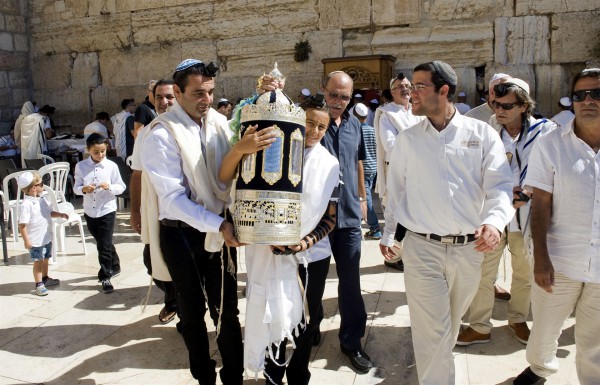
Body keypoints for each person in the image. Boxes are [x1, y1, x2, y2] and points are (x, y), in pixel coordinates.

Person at [379, 61, 514, 385]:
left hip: (470, 252)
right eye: (410, 87)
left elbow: (500, 187)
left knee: (446, 330)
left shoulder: (481, 135)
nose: (411, 93)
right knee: (434, 333)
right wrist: (388, 234)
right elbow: (396, 192)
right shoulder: (409, 140)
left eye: (420, 86)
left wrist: (494, 223)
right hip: (421, 249)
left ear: (443, 91)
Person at [219, 93, 339, 385]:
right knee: (273, 314)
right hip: (268, 250)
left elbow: (331, 217)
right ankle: (273, 374)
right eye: (309, 123)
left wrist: (303, 243)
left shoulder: (328, 163)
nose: (314, 132)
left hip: (310, 258)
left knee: (303, 321)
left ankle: (299, 377)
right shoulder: (273, 153)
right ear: (297, 122)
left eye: (322, 127)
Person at [141, 58, 243, 385]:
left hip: (219, 229)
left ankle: (233, 377)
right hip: (181, 236)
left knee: (227, 312)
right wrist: (217, 224)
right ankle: (204, 379)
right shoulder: (161, 133)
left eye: (210, 92)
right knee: (193, 313)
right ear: (178, 92)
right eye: (198, 93)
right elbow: (172, 199)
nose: (207, 100)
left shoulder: (217, 123)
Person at [513, 68, 600, 385]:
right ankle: (539, 370)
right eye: (580, 95)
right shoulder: (551, 144)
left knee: (594, 341)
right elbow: (540, 204)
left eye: (596, 94)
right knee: (546, 328)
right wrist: (542, 259)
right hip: (559, 261)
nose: (587, 100)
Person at [457, 78, 555, 347]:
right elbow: (476, 166)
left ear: (524, 106)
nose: (499, 111)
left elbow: (552, 169)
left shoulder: (544, 132)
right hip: (493, 213)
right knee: (484, 272)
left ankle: (518, 319)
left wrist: (528, 191)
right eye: (495, 105)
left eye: (507, 106)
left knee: (523, 272)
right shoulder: (489, 130)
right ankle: (479, 326)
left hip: (527, 215)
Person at [320, 70, 372, 373]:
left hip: (350, 215)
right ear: (324, 91)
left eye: (344, 96)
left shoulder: (357, 126)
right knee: (311, 280)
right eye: (333, 94)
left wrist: (363, 198)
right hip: (317, 218)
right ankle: (310, 328)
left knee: (351, 282)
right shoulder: (312, 124)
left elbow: (358, 163)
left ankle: (352, 341)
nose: (338, 101)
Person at [129, 78, 178, 325]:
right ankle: (172, 299)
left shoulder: (191, 129)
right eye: (159, 97)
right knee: (153, 261)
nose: (164, 102)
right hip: (154, 208)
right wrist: (135, 212)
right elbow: (137, 174)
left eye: (169, 97)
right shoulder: (145, 134)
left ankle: (185, 305)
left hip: (185, 212)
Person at [374, 72, 424, 270]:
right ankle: (392, 257)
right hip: (396, 170)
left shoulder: (418, 111)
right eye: (399, 87)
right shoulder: (387, 114)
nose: (405, 89)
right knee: (394, 215)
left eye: (407, 86)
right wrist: (417, 141)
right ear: (392, 92)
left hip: (418, 170)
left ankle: (411, 253)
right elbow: (390, 144)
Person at [74, 133, 125, 293]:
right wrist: (83, 189)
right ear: (89, 150)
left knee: (103, 245)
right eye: (96, 152)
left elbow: (121, 187)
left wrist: (109, 187)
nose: (100, 155)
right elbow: (76, 187)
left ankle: (105, 276)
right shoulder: (81, 166)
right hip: (90, 211)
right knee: (103, 242)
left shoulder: (111, 166)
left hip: (107, 210)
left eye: (103, 151)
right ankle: (115, 265)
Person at [17, 172, 69, 296]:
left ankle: (45, 278)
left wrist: (60, 214)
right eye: (41, 184)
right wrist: (26, 240)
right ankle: (38, 284)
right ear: (34, 188)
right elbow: (22, 225)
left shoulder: (42, 199)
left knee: (46, 259)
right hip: (36, 240)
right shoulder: (26, 205)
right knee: (38, 261)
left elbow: (49, 212)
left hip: (46, 237)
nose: (43, 185)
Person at [355, 103, 380, 240]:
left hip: (362, 169)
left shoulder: (356, 130)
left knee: (365, 198)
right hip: (373, 168)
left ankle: (375, 227)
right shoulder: (372, 130)